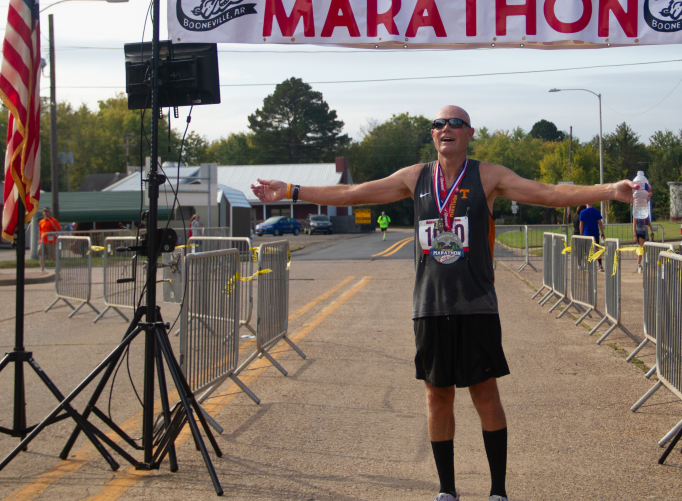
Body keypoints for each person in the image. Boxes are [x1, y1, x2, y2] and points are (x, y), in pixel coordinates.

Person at [250, 106, 642, 501]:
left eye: (455, 123)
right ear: (433, 135)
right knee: (437, 396)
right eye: (438, 123)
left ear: (469, 132)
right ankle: (447, 490)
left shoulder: (487, 175)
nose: (446, 128)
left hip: (477, 306)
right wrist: (290, 191)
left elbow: (550, 193)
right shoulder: (414, 177)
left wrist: (610, 191)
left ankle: (498, 492)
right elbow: (353, 193)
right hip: (431, 307)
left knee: (485, 394)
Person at [579, 203, 605, 272]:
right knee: (597, 249)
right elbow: (600, 223)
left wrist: (581, 234)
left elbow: (581, 225)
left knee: (588, 250)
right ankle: (600, 265)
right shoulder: (597, 211)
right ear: (592, 203)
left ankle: (590, 265)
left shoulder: (582, 212)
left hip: (586, 233)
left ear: (586, 204)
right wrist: (602, 233)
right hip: (595, 233)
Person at [38, 207, 61, 272]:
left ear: (49, 212)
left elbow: (58, 230)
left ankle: (58, 264)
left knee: (51, 256)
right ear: (43, 213)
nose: (46, 213)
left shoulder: (53, 220)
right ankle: (42, 268)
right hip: (42, 241)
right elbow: (40, 231)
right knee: (41, 255)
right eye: (44, 211)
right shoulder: (41, 221)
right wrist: (39, 240)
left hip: (51, 241)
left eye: (47, 211)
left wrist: (53, 233)